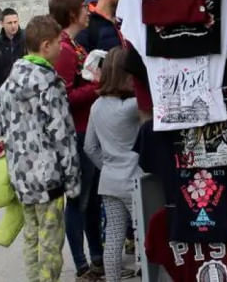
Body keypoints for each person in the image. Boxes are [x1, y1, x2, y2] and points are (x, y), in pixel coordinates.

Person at [0, 15, 80, 282]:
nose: (60, 49)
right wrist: (73, 180)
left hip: (20, 175)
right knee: (51, 239)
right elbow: (62, 134)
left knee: (31, 236)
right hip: (48, 175)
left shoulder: (8, 83)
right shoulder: (49, 83)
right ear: (45, 46)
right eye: (57, 43)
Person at [49, 0, 104, 280]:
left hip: (87, 129)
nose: (88, 12)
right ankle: (82, 263)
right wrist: (97, 86)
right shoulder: (65, 49)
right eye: (84, 7)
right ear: (72, 13)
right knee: (78, 200)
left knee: (92, 199)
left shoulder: (72, 44)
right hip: (78, 133)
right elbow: (65, 96)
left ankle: (96, 257)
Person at [84, 47, 141, 282]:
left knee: (114, 237)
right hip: (135, 180)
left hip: (109, 181)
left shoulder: (96, 107)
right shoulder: (131, 107)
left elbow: (89, 147)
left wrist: (107, 165)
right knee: (145, 235)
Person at [0, 8, 26, 118]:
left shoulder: (27, 39)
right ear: (2, 23)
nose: (13, 26)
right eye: (9, 23)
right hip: (7, 93)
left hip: (27, 91)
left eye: (15, 22)